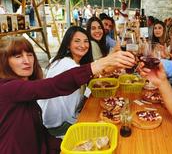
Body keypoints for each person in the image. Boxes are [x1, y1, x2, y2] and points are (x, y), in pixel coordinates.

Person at [0, 36, 135, 153]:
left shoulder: (20, 89)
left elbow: (40, 135)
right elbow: (54, 85)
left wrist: (65, 148)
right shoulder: (7, 89)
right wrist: (101, 63)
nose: (27, 60)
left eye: (29, 54)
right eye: (18, 56)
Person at [37, 26, 93, 136]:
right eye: (77, 41)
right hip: (59, 127)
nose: (83, 45)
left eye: (86, 41)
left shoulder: (62, 60)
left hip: (54, 121)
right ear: (68, 44)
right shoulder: (68, 65)